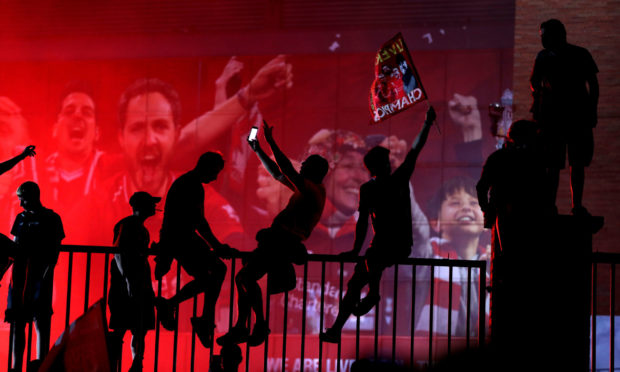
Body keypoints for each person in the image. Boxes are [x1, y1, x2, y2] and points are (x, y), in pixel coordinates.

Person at [319, 106, 435, 344]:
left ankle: (370, 296)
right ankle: (339, 327)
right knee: (358, 280)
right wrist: (427, 124)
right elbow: (415, 150)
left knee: (365, 272)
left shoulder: (378, 186)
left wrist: (355, 249)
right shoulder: (392, 182)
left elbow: (362, 223)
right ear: (385, 165)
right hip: (385, 246)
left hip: (393, 246)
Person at [217, 120, 328, 347]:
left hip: (281, 242)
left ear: (313, 170)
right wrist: (258, 150)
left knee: (245, 278)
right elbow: (278, 175)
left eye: (305, 164)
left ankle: (254, 325)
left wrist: (270, 142)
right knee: (245, 279)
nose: (301, 166)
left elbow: (285, 169)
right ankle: (248, 325)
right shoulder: (308, 190)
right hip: (279, 241)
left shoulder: (312, 190)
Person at [154, 152, 238, 349]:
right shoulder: (192, 186)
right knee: (217, 271)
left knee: (212, 275)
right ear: (207, 167)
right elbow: (199, 221)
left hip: (180, 239)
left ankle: (194, 313)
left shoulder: (187, 183)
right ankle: (198, 316)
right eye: (215, 172)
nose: (216, 177)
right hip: (182, 240)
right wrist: (217, 246)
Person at [476, 120, 546, 346]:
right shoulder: (531, 160)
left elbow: (481, 186)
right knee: (519, 264)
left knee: (506, 263)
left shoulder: (499, 158)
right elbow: (541, 187)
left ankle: (503, 293)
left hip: (505, 217)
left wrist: (488, 209)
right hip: (524, 218)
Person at [530, 19, 599, 216]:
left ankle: (575, 205)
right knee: (554, 164)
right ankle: (554, 205)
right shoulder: (545, 56)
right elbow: (534, 82)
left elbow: (593, 84)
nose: (542, 40)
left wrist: (592, 109)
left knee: (575, 163)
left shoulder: (578, 54)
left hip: (575, 116)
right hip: (555, 117)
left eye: (544, 35)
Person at [413, 176, 489, 337]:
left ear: (486, 221)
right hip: (431, 357)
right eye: (455, 203)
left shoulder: (493, 261)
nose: (466, 208)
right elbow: (411, 220)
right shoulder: (427, 254)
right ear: (436, 222)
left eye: (474, 203)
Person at [6, 181, 64, 372]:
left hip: (39, 276)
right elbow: (14, 246)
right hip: (19, 277)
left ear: (32, 197)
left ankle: (42, 364)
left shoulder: (51, 218)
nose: (21, 204)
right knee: (17, 322)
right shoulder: (20, 218)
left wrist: (49, 269)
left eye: (23, 199)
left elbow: (56, 246)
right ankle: (16, 367)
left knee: (41, 320)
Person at [108, 191, 160, 372]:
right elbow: (119, 252)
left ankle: (136, 363)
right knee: (124, 327)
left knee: (138, 328)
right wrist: (128, 280)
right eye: (151, 204)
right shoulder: (128, 225)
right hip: (128, 286)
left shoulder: (138, 227)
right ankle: (117, 365)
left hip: (138, 284)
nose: (154, 207)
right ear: (140, 207)